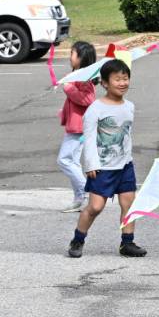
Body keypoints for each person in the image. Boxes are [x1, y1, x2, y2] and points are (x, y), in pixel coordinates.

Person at [67, 59, 145, 259]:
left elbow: (126, 135)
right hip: (102, 168)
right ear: (104, 83)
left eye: (125, 78)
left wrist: (127, 157)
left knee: (129, 204)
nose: (122, 83)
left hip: (125, 165)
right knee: (95, 207)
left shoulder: (129, 106)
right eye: (117, 79)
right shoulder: (96, 108)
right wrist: (90, 164)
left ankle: (127, 243)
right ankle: (78, 239)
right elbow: (90, 138)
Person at [57, 40, 97, 211]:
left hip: (79, 129)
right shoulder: (77, 75)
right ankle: (79, 197)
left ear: (81, 58)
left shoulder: (84, 77)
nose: (69, 57)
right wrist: (64, 112)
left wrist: (69, 88)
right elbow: (75, 103)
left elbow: (88, 100)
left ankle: (85, 190)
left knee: (64, 160)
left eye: (72, 53)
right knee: (72, 161)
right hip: (75, 126)